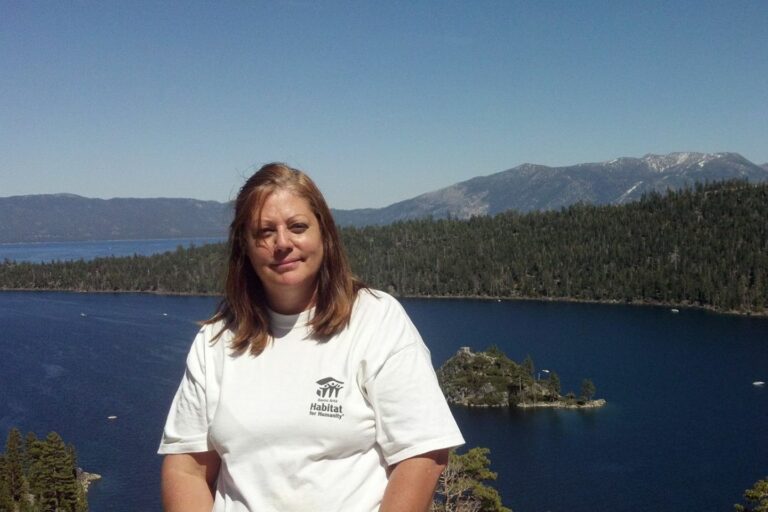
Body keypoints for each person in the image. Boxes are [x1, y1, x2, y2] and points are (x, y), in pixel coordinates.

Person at [158, 163, 464, 512]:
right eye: (264, 231)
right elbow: (186, 468)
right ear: (244, 245)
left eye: (298, 227)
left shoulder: (375, 319)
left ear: (325, 233)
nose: (282, 243)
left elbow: (422, 454)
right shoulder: (218, 339)